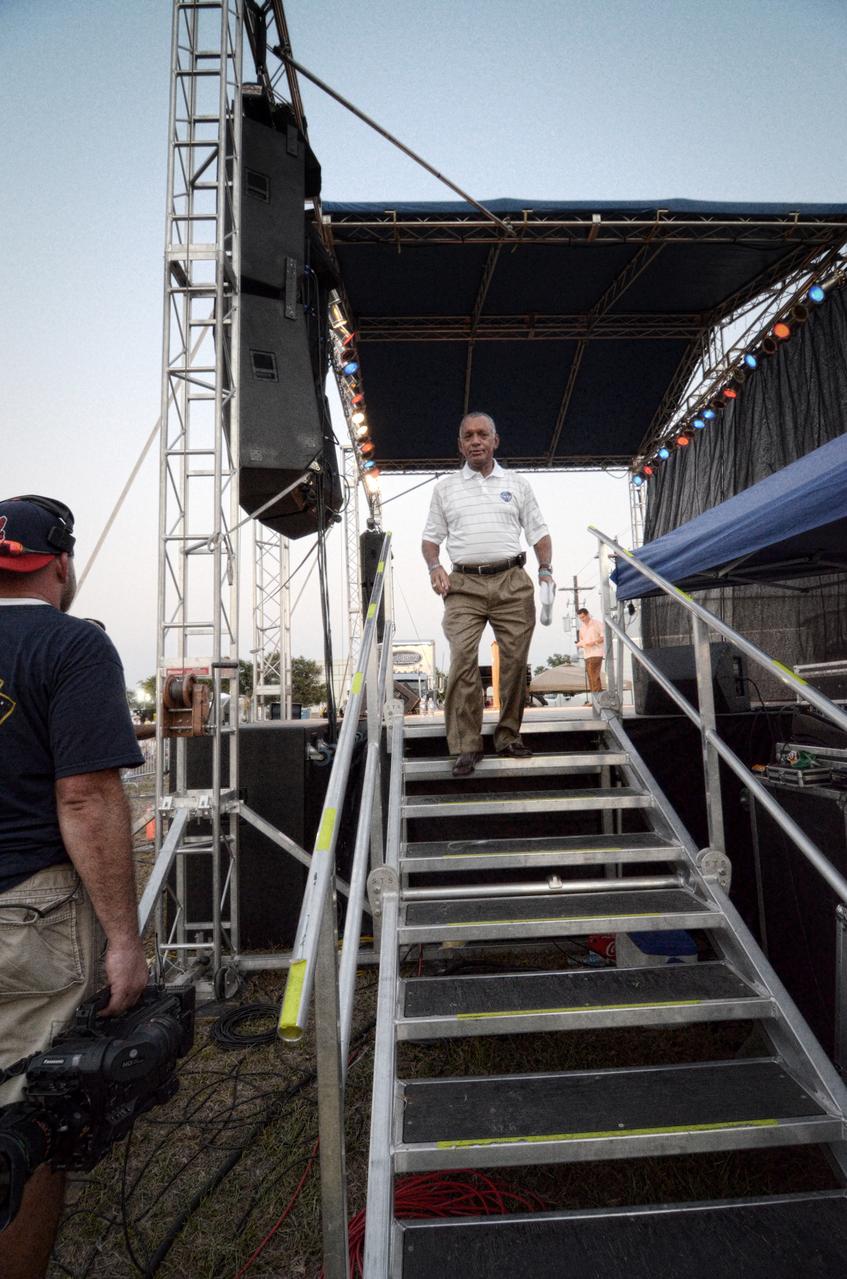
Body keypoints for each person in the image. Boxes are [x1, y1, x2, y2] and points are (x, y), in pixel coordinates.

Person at [0, 495, 148, 1279]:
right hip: (28, 917)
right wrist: (124, 938)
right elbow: (85, 795)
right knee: (26, 1124)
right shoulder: (72, 647)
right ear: (61, 564)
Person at [422, 412, 554, 778]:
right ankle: (466, 745)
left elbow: (539, 532)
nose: (476, 441)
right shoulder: (445, 488)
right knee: (462, 660)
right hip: (463, 585)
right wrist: (435, 567)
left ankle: (508, 736)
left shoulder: (517, 483)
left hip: (512, 580)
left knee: (514, 662)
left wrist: (545, 571)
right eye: (468, 436)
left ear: (496, 441)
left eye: (483, 434)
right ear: (460, 444)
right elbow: (431, 539)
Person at [576, 606, 605, 695]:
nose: (582, 619)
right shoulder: (582, 628)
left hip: (596, 653)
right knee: (592, 676)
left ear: (588, 614)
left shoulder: (597, 623)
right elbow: (582, 640)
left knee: (593, 675)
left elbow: (603, 637)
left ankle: (596, 697)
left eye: (583, 617)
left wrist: (594, 642)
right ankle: (597, 697)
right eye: (580, 618)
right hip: (587, 654)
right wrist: (579, 644)